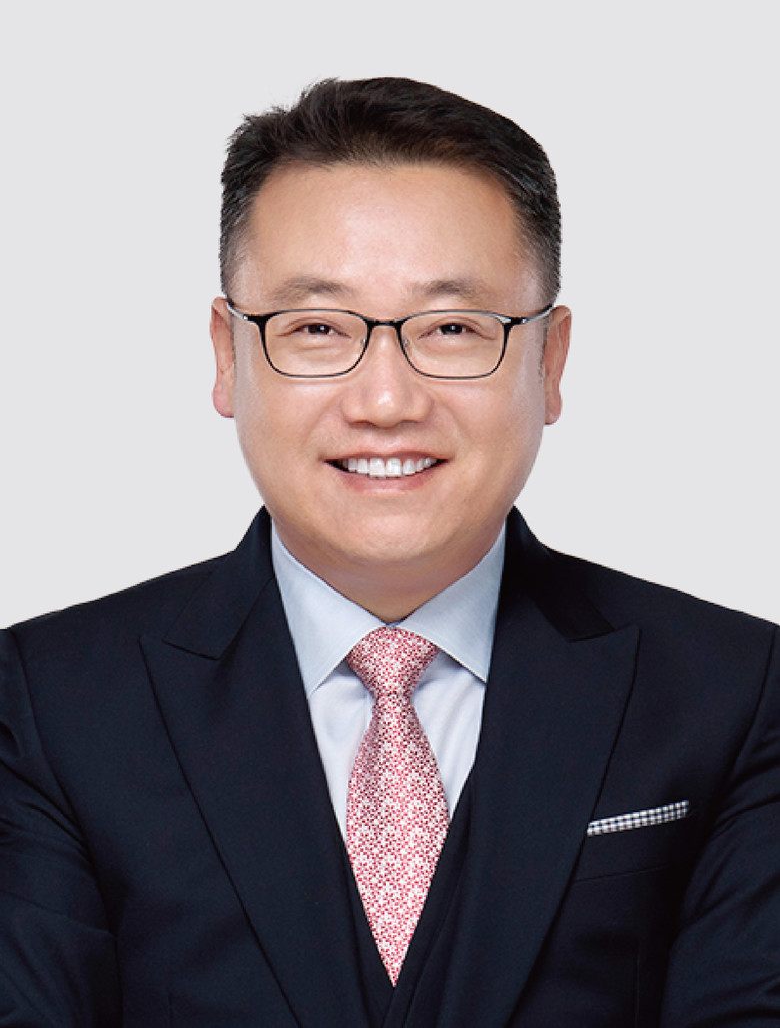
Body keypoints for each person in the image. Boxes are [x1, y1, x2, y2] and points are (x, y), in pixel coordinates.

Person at [1, 77, 778, 1028]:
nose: (384, 401)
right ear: (226, 355)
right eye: (316, 328)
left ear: (550, 361)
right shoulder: (47, 704)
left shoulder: (734, 693)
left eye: (452, 328)